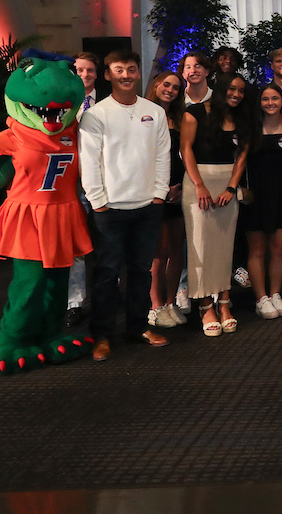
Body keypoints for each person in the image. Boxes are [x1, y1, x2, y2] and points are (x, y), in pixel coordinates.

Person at [80, 50, 171, 360]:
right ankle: (101, 335)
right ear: (108, 75)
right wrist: (98, 201)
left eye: (131, 69)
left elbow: (162, 155)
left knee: (141, 272)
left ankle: (138, 326)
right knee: (106, 273)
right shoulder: (96, 114)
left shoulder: (154, 112)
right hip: (109, 209)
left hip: (148, 206)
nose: (126, 75)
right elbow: (89, 161)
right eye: (119, 69)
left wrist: (159, 194)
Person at [181, 74, 250, 336]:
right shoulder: (195, 112)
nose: (236, 94)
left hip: (227, 185)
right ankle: (205, 305)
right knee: (200, 245)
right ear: (220, 88)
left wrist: (232, 187)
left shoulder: (242, 116)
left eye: (241, 91)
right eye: (232, 89)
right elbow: (185, 149)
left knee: (224, 245)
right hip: (198, 182)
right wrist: (199, 185)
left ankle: (223, 304)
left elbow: (242, 154)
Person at [242, 86, 282, 319]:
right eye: (265, 98)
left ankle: (275, 294)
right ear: (259, 102)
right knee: (257, 249)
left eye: (275, 98)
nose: (270, 102)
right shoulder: (250, 127)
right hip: (255, 195)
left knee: (280, 247)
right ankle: (261, 298)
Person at [144, 72, 187, 329]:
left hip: (179, 189)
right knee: (158, 252)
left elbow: (185, 154)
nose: (170, 90)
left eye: (175, 87)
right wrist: (158, 188)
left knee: (176, 249)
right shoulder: (143, 115)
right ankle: (155, 305)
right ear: (157, 85)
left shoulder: (181, 119)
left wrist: (180, 185)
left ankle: (171, 302)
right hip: (153, 191)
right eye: (166, 85)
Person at [67, 51, 104, 327]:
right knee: (76, 248)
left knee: (107, 244)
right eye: (80, 70)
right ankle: (75, 303)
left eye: (90, 70)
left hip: (105, 183)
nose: (84, 75)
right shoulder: (62, 104)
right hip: (71, 184)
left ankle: (109, 296)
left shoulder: (108, 103)